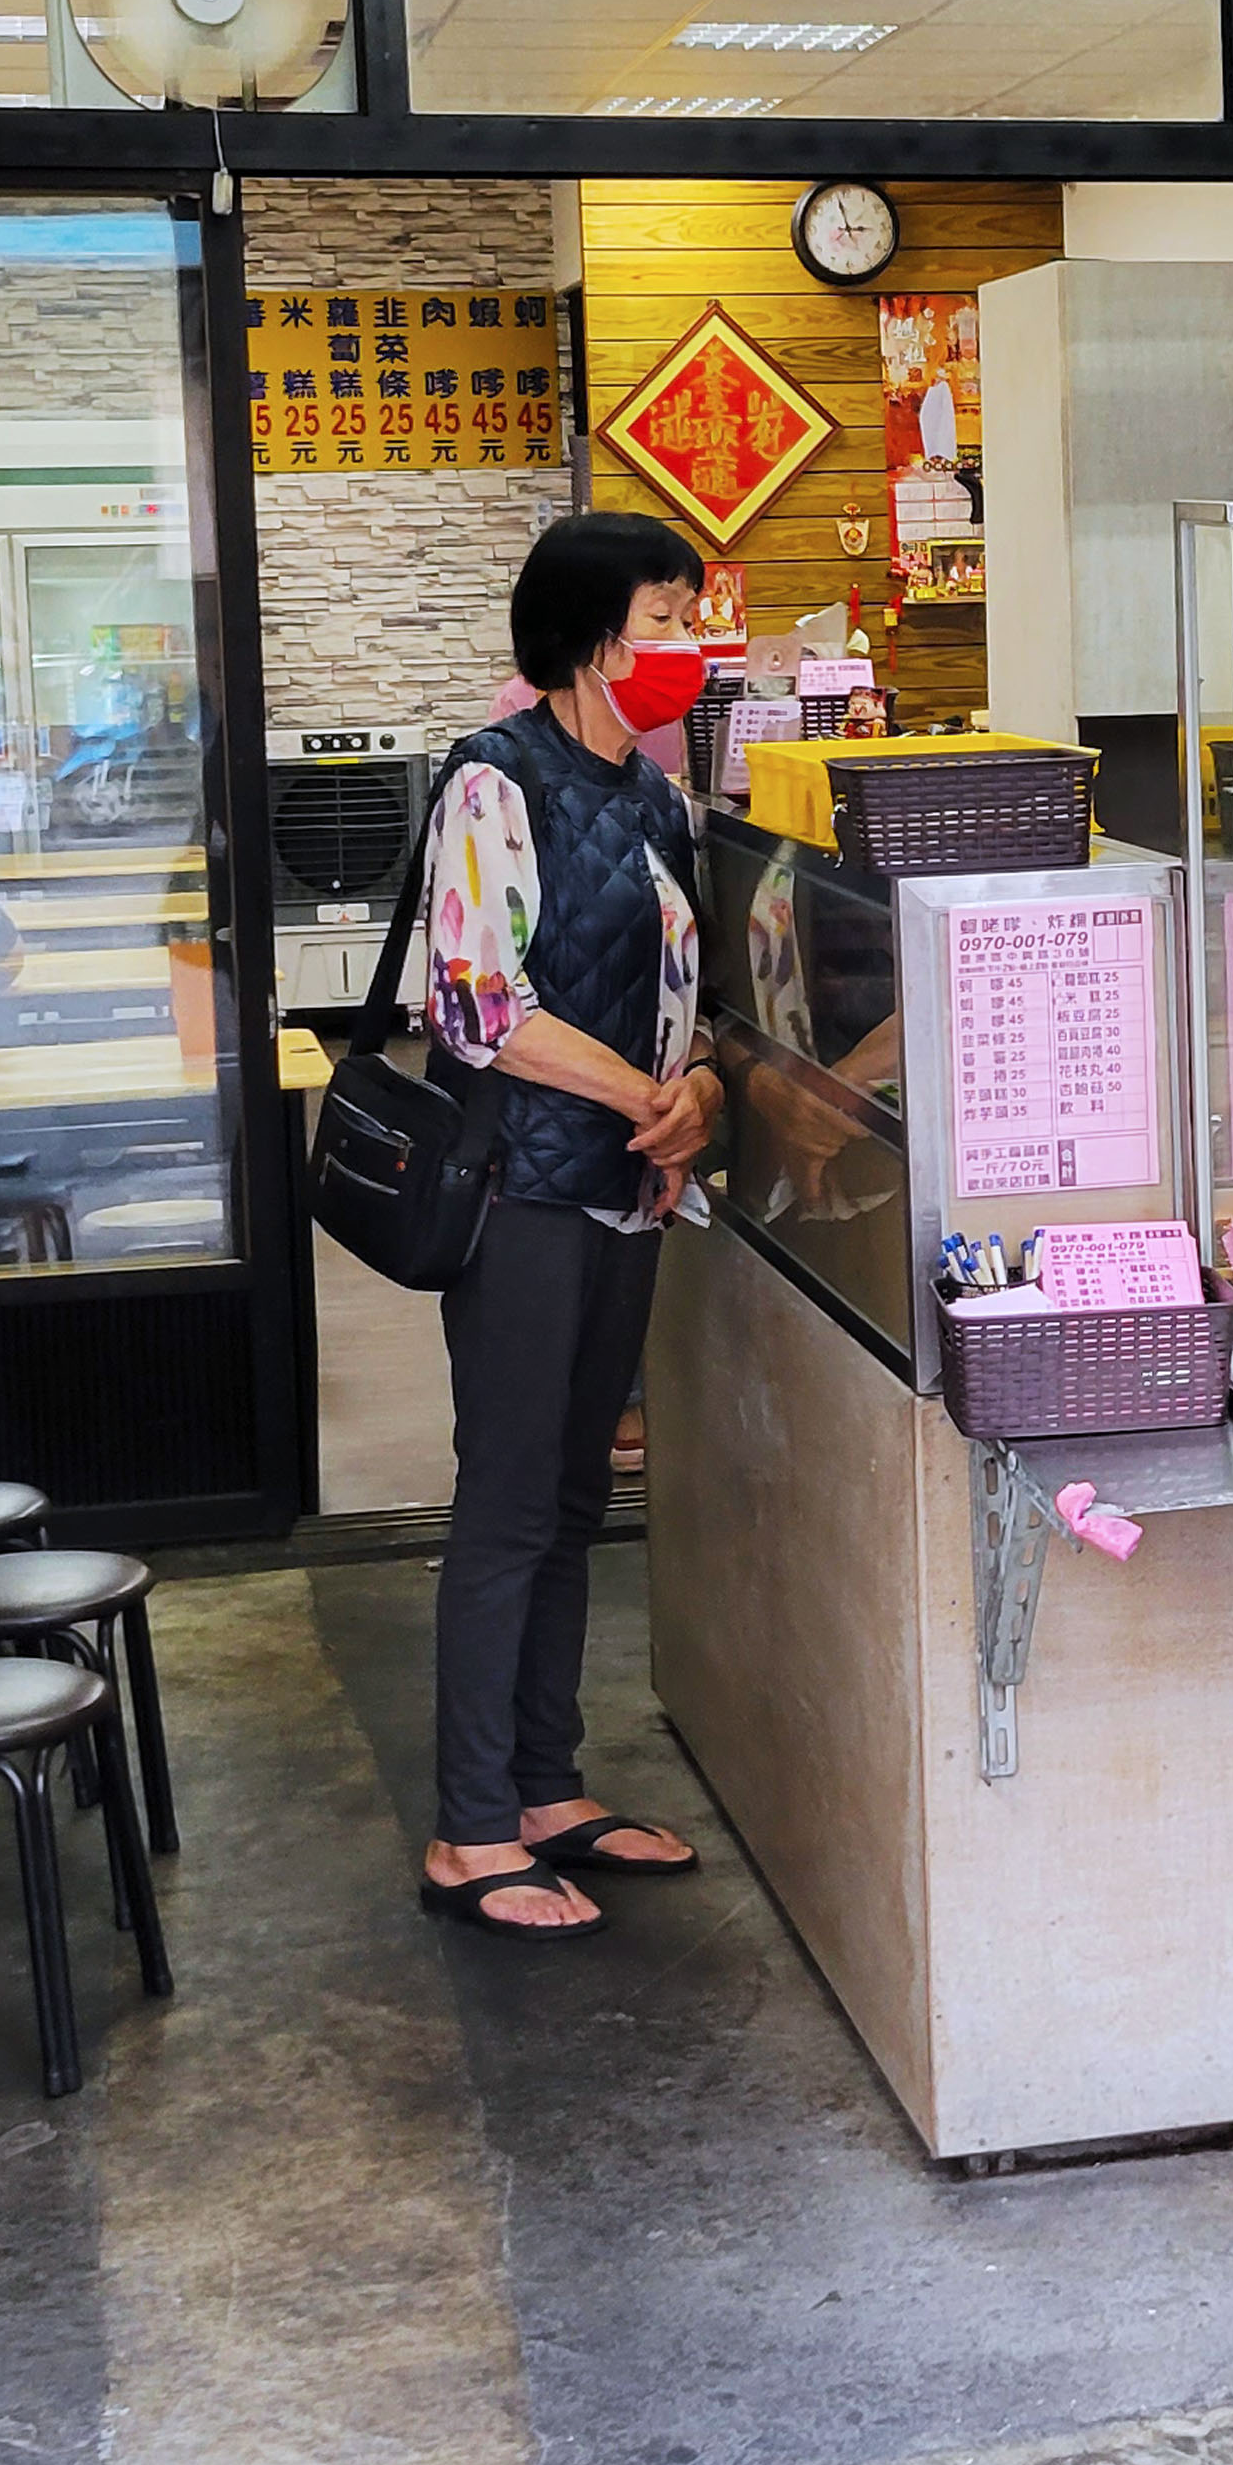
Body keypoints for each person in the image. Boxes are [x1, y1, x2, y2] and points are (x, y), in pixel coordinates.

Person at [414, 510, 724, 1938]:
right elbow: (476, 1006)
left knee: (579, 1497)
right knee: (509, 1498)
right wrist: (641, 1103)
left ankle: (545, 1789)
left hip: (621, 1191)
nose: (692, 645)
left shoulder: (654, 797)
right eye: (672, 615)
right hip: (521, 1194)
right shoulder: (495, 782)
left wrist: (696, 1095)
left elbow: (679, 993)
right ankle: (472, 1826)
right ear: (598, 640)